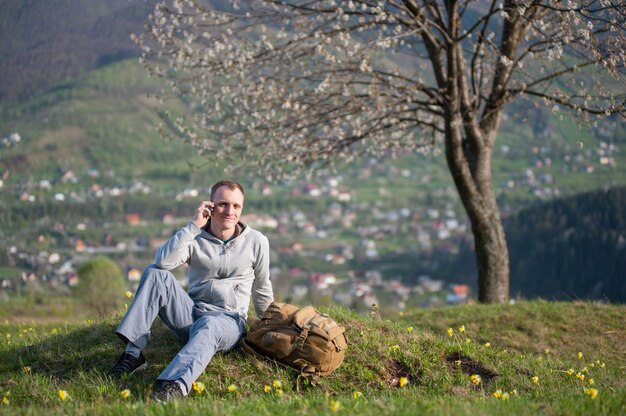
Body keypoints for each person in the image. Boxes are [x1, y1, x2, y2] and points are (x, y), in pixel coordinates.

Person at [109, 179, 274, 401]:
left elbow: (262, 287)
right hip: (192, 315)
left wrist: (272, 328)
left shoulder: (256, 241)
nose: (230, 211)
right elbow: (163, 262)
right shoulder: (195, 236)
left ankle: (173, 386)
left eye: (236, 206)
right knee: (155, 273)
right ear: (210, 205)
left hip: (229, 322)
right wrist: (193, 226)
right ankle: (133, 354)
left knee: (211, 324)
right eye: (223, 204)